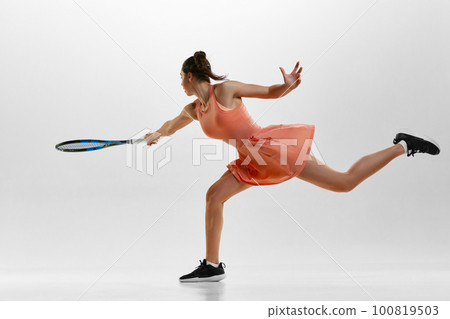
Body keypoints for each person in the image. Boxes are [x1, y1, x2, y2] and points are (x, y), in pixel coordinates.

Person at [144, 51, 440, 282]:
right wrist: (155, 134)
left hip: (271, 150)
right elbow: (171, 125)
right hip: (251, 161)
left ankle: (403, 145)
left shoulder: (225, 91)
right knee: (213, 196)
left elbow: (271, 92)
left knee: (344, 182)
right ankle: (212, 266)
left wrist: (286, 85)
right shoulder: (194, 110)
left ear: (190, 75)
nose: (179, 82)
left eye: (180, 77)